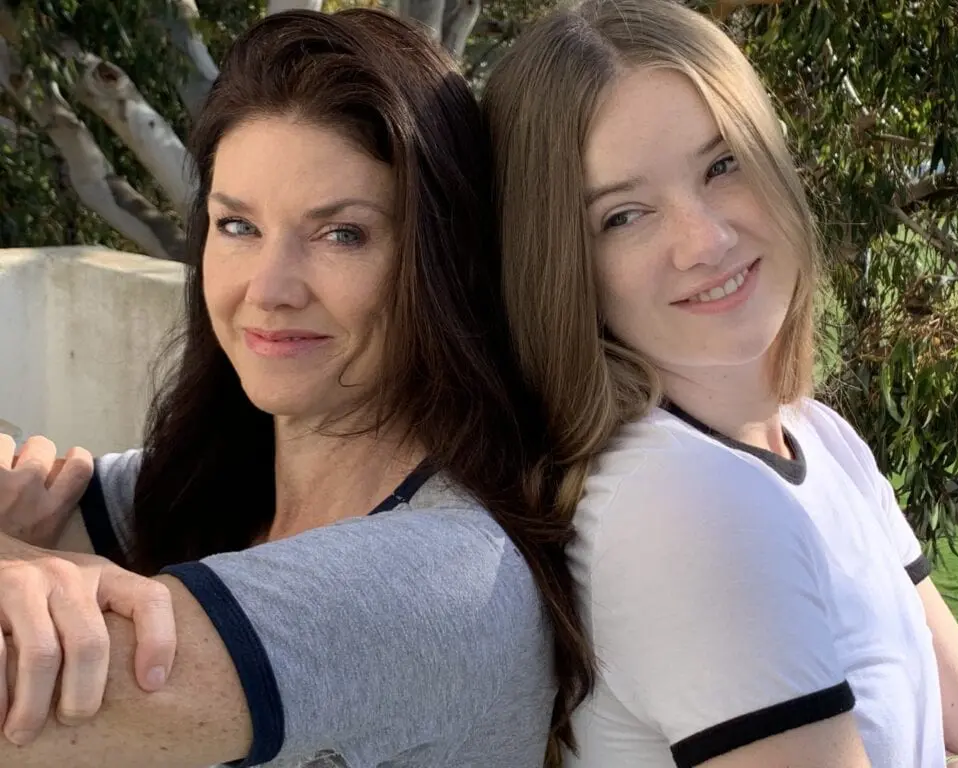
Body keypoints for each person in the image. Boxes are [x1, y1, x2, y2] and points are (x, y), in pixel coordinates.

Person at [0, 8, 592, 767]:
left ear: (440, 261)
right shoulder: (209, 484)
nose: (269, 289)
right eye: (237, 226)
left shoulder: (443, 579)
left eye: (341, 233)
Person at [482, 0, 958, 766]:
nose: (705, 239)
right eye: (625, 214)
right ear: (562, 267)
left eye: (723, 164)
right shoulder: (684, 502)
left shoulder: (820, 437)